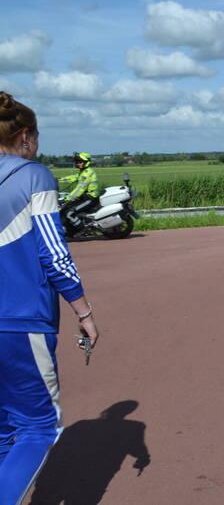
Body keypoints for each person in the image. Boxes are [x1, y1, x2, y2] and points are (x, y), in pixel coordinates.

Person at [0, 92, 98, 504]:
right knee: (39, 427)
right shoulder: (34, 176)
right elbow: (54, 255)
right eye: (36, 136)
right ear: (25, 136)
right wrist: (83, 309)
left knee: (5, 429)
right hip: (21, 321)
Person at [58, 151, 100, 233]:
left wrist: (67, 198)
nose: (77, 164)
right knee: (66, 208)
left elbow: (79, 189)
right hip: (85, 197)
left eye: (80, 162)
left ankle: (82, 229)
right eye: (77, 162)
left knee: (69, 212)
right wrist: (59, 179)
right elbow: (74, 177)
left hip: (90, 198)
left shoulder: (87, 173)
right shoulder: (83, 172)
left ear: (86, 162)